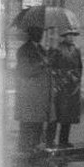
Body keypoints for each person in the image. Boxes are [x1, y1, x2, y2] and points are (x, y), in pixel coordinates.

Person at [14, 26, 53, 156]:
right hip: (29, 93)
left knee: (38, 122)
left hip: (40, 93)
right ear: (31, 34)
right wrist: (42, 64)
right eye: (38, 32)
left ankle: (36, 146)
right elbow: (25, 70)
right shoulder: (23, 50)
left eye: (41, 32)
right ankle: (24, 149)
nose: (41, 34)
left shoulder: (42, 50)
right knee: (27, 122)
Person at [45, 28, 82, 149]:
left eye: (73, 35)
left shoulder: (77, 49)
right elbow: (51, 67)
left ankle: (64, 140)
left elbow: (80, 67)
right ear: (64, 36)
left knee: (68, 116)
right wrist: (61, 77)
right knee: (55, 115)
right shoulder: (57, 49)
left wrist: (76, 78)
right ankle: (49, 140)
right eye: (68, 35)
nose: (71, 38)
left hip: (72, 87)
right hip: (60, 87)